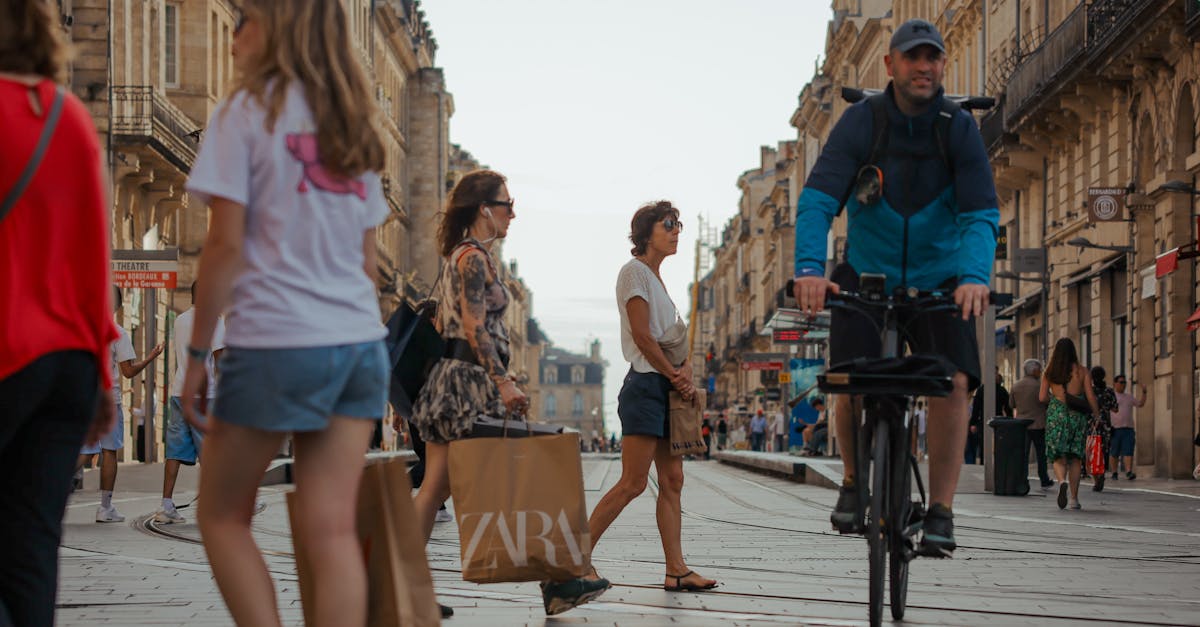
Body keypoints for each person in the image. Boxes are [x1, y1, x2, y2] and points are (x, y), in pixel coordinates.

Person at [180, 2, 393, 624]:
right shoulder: (355, 126)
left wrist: (197, 356)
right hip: (358, 344)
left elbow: (222, 246)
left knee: (221, 515)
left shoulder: (246, 111)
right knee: (330, 531)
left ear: (279, 23)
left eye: (245, 16)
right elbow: (367, 266)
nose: (234, 32)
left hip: (277, 340)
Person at [792, 19, 998, 556]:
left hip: (940, 280)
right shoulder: (863, 122)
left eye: (932, 57)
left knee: (954, 383)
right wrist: (811, 269)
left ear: (942, 64)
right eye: (912, 57)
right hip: (869, 273)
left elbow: (980, 213)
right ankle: (855, 480)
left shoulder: (958, 128)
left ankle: (942, 511)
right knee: (846, 378)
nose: (923, 66)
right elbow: (817, 200)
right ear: (890, 65)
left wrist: (975, 277)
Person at [409, 170, 609, 616]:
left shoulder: (458, 255)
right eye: (507, 204)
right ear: (485, 209)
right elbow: (475, 325)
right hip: (470, 382)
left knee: (436, 487)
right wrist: (502, 379)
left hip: (452, 379)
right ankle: (560, 580)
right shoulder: (473, 258)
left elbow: (445, 324)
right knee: (525, 475)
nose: (512, 212)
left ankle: (404, 587)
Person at [0, 4, 116, 622]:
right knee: (32, 550)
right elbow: (92, 259)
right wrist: (101, 376)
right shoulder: (65, 116)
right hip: (65, 369)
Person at [582, 200, 718, 598]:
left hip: (667, 387)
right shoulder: (633, 274)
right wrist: (674, 373)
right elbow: (642, 335)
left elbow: (669, 339)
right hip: (645, 385)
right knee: (633, 482)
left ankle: (676, 570)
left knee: (673, 480)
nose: (677, 231)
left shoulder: (658, 282)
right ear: (646, 233)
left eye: (679, 225)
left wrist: (685, 372)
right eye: (669, 224)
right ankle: (574, 558)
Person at [78, 286, 163, 523]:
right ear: (119, 305)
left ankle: (52, 497)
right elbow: (127, 372)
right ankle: (105, 507)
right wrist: (150, 358)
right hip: (108, 401)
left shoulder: (87, 329)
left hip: (87, 397)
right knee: (109, 452)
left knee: (85, 451)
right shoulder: (118, 333)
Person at [156, 281, 226, 524]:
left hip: (179, 391)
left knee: (174, 451)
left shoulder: (180, 320)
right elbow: (219, 359)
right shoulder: (215, 321)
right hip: (204, 396)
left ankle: (166, 504)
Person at [1040, 338, 1098, 511]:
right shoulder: (1082, 371)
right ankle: (1074, 499)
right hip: (1076, 416)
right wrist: (1097, 414)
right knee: (1075, 458)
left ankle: (1061, 482)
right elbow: (1090, 396)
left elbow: (1042, 397)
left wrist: (1056, 400)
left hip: (1056, 415)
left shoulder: (1049, 372)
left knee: (1058, 455)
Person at [1010, 359, 1052, 489]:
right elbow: (1048, 401)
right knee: (1041, 454)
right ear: (1034, 371)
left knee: (1023, 454)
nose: (1040, 372)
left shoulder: (1016, 386)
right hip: (1038, 424)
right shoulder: (1039, 386)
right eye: (1039, 370)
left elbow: (1012, 404)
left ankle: (1022, 478)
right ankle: (1044, 478)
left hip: (1021, 424)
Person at [967, 368, 1011, 465]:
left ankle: (985, 464)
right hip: (995, 422)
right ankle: (993, 465)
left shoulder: (983, 390)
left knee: (985, 446)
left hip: (988, 422)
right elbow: (1008, 408)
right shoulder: (1000, 390)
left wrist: (973, 423)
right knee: (993, 445)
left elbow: (976, 409)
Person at [1108, 374, 1145, 481]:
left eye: (1124, 383)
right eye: (1121, 382)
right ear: (1115, 383)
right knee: (1114, 452)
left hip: (1128, 428)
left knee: (1128, 451)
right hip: (1115, 428)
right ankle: (1114, 472)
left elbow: (1140, 404)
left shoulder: (1129, 397)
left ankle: (1128, 471)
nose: (1123, 385)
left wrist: (1144, 392)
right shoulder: (1112, 396)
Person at [1089, 366, 1117, 491]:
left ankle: (1096, 479)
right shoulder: (1109, 391)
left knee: (1092, 453)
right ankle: (1102, 474)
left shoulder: (1089, 390)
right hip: (1105, 425)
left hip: (1091, 425)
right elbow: (1115, 408)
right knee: (1104, 452)